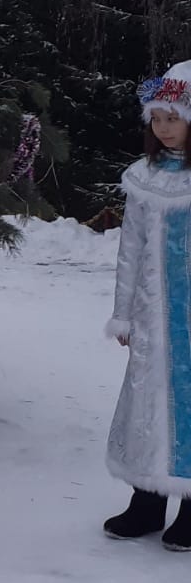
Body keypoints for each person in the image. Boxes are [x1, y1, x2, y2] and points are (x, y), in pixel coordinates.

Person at [103, 61, 191, 551]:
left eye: (173, 118)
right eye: (156, 118)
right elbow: (130, 249)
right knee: (147, 403)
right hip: (154, 316)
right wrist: (123, 313)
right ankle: (147, 500)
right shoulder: (144, 178)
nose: (163, 128)